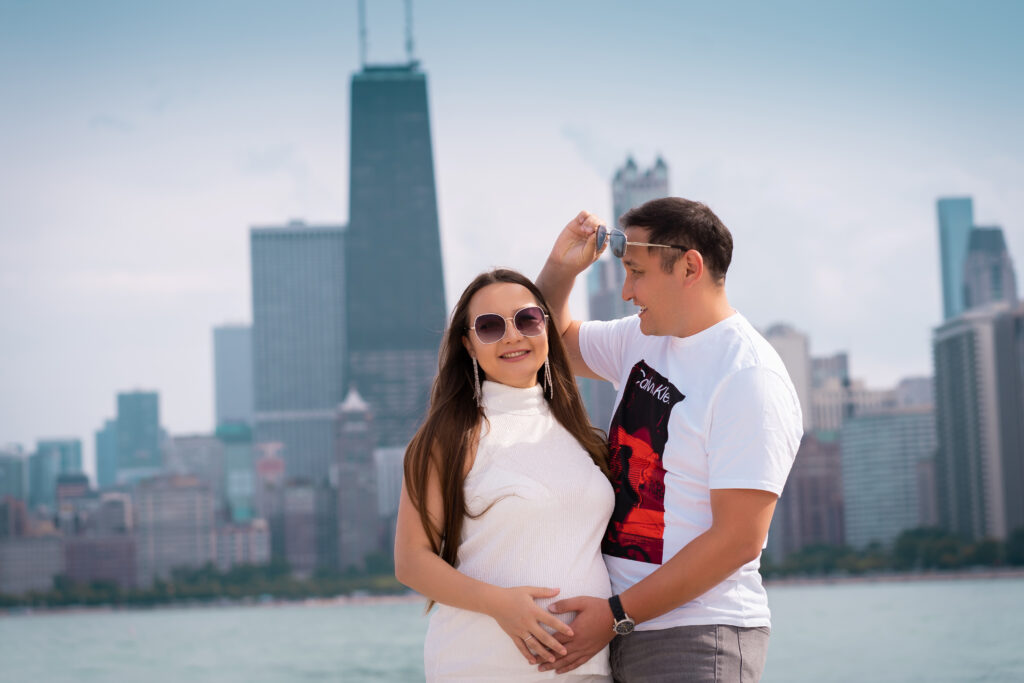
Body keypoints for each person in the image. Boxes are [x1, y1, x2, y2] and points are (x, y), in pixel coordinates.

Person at [533, 198, 803, 681]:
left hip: (696, 635)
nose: (626, 292)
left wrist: (616, 614)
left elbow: (739, 539)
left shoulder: (749, 377)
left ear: (689, 267)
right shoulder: (641, 338)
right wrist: (560, 267)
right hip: (620, 626)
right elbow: (551, 344)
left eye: (636, 273)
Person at [395, 268, 616, 682]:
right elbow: (411, 561)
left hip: (588, 668)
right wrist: (499, 604)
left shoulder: (581, 435)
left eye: (527, 320)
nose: (513, 336)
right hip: (481, 667)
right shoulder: (449, 437)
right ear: (468, 343)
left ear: (546, 327)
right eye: (490, 326)